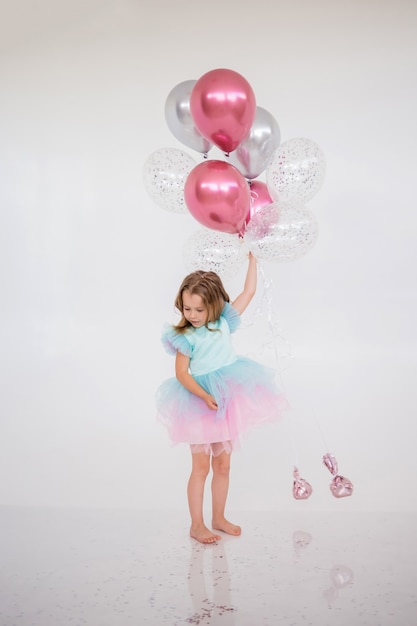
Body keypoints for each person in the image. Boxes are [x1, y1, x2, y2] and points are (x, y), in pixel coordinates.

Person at [156, 253, 287, 544]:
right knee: (200, 467)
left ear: (214, 306)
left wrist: (253, 259)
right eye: (187, 308)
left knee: (224, 465)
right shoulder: (185, 336)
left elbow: (249, 292)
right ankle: (197, 524)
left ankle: (219, 517)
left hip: (227, 394)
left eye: (199, 309)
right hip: (198, 401)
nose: (192, 315)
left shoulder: (224, 323)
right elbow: (181, 374)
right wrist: (204, 395)